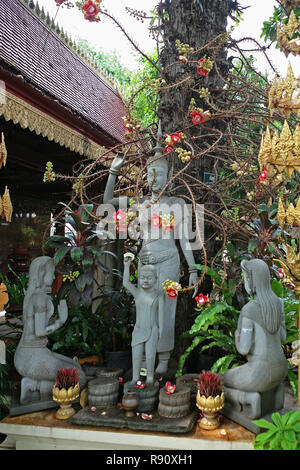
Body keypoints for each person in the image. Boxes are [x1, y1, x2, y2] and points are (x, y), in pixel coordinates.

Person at [103, 128, 198, 375]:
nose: (154, 178)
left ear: (169, 177)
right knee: (145, 311)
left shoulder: (177, 204)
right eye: (150, 173)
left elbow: (185, 240)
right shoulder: (141, 203)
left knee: (166, 311)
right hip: (146, 264)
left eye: (160, 174)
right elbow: (107, 202)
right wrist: (114, 171)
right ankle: (145, 357)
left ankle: (164, 358)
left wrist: (193, 268)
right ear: (145, 176)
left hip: (168, 262)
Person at [14, 256, 86, 404]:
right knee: (80, 377)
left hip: (34, 353)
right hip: (30, 358)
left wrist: (57, 319)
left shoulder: (36, 296)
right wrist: (60, 321)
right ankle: (35, 385)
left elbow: (37, 326)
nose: (54, 277)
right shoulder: (39, 298)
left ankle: (37, 383)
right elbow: (40, 332)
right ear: (41, 273)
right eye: (51, 272)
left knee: (76, 366)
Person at [223, 259, 288, 418]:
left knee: (221, 379)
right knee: (269, 380)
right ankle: (277, 395)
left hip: (258, 373)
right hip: (281, 370)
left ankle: (250, 399)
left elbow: (243, 349)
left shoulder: (250, 309)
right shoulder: (278, 304)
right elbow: (283, 337)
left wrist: (237, 334)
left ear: (251, 280)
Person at [123, 253, 164, 386]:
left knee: (151, 356)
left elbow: (161, 315)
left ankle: (150, 378)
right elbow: (125, 282)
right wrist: (127, 265)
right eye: (142, 278)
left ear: (155, 279)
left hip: (153, 329)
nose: (145, 280)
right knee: (136, 356)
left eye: (149, 278)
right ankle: (135, 378)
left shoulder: (159, 295)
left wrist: (161, 330)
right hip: (139, 329)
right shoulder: (137, 293)